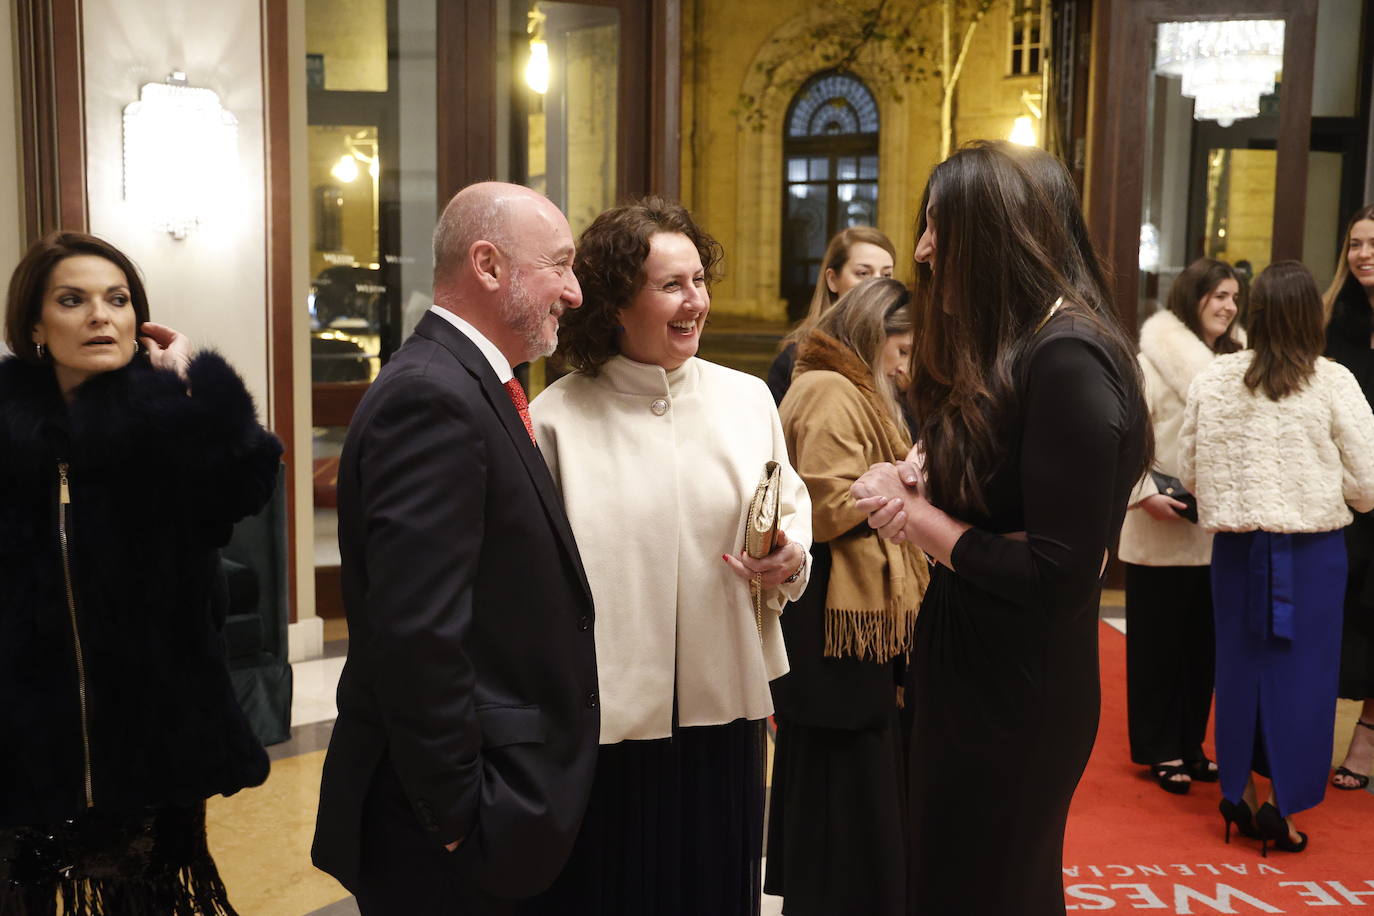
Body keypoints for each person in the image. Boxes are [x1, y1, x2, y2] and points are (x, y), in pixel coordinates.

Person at [851, 140, 1150, 915]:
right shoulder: (1018, 349)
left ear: (997, 233)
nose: (919, 249)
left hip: (1016, 687)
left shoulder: (1068, 357)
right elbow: (998, 496)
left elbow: (1055, 575)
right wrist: (918, 475)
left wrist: (923, 522)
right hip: (973, 662)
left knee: (989, 888)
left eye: (937, 226)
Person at [311, 182, 599, 914]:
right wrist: (457, 819)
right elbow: (417, 635)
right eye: (560, 266)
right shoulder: (434, 396)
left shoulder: (471, 383)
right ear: (488, 264)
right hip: (443, 824)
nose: (573, 291)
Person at [528, 196, 811, 916]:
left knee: (713, 888)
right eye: (671, 286)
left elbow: (788, 509)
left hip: (723, 710)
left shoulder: (748, 401)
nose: (696, 302)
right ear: (618, 302)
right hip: (607, 722)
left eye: (699, 281)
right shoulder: (559, 417)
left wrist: (788, 556)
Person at [0, 232, 282, 914]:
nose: (101, 315)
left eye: (118, 299)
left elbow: (246, 481)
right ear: (36, 325)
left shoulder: (166, 426)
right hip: (27, 744)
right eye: (73, 300)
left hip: (153, 747)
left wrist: (194, 391)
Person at [1181, 260, 1374, 853]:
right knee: (1302, 683)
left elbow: (1190, 472)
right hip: (1311, 556)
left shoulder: (1214, 379)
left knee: (1240, 675)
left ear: (1256, 311)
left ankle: (1243, 795)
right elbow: (1367, 484)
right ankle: (1281, 809)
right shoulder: (1332, 381)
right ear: (1308, 314)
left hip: (1236, 553)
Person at [766, 277, 926, 916]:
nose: (907, 366)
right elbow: (824, 503)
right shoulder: (831, 388)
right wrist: (905, 490)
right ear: (871, 333)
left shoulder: (851, 386)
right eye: (903, 350)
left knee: (858, 774)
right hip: (832, 618)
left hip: (844, 614)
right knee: (842, 773)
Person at [1119, 259, 1244, 794]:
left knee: (1202, 649)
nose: (1228, 307)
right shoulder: (1148, 363)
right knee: (1157, 646)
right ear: (1192, 297)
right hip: (1158, 521)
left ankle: (1191, 744)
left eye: (1234, 297)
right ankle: (1158, 748)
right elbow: (1122, 440)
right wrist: (1144, 494)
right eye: (1217, 295)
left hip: (1216, 528)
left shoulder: (1238, 363)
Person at [1323, 203, 1374, 791]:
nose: (1362, 254)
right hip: (1352, 493)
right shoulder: (1334, 316)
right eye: (1355, 244)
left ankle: (1363, 745)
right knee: (1350, 614)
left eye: (1371, 244)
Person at [768, 226, 896, 404]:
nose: (876, 284)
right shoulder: (795, 359)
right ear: (833, 280)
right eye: (863, 273)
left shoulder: (900, 354)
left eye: (886, 274)